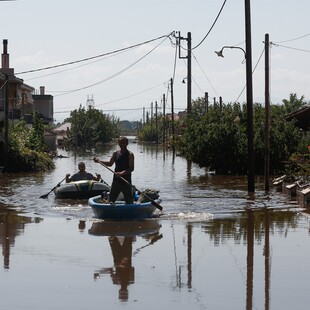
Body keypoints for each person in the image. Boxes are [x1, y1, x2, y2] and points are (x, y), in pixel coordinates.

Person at [94, 136, 134, 204]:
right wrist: (99, 161)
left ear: (127, 143)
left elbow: (131, 168)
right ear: (118, 143)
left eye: (124, 143)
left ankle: (130, 210)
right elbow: (110, 163)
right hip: (116, 180)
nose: (122, 144)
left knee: (129, 201)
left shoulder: (130, 154)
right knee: (111, 199)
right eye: (121, 143)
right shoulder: (115, 153)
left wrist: (121, 173)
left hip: (126, 180)